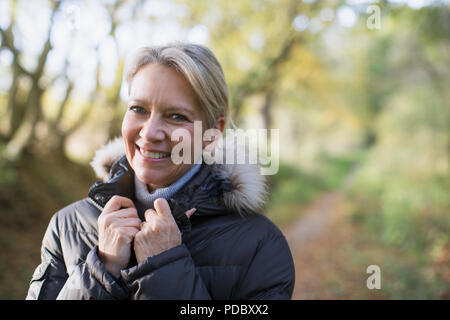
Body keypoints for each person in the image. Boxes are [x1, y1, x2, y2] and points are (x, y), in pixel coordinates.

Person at [26, 42, 295, 300]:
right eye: (138, 109)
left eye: (176, 116)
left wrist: (164, 268)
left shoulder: (260, 245)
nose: (150, 132)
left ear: (213, 133)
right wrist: (102, 270)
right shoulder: (68, 226)